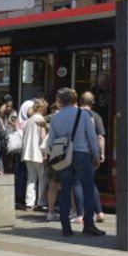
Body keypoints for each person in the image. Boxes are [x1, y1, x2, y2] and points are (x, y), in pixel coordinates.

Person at [45, 88, 102, 237]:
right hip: (82, 155)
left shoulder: (56, 118)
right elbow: (92, 137)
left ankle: (66, 227)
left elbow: (50, 142)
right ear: (75, 100)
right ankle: (88, 225)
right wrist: (96, 155)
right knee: (88, 190)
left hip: (65, 157)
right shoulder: (83, 115)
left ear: (61, 101)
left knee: (65, 190)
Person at [79, 91, 107, 222]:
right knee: (90, 182)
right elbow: (100, 137)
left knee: (77, 182)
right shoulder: (96, 116)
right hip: (91, 152)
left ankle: (81, 213)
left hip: (77, 151)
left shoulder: (75, 115)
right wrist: (101, 153)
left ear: (80, 101)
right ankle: (99, 212)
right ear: (93, 103)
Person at [21, 98, 49, 211]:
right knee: (42, 177)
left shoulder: (29, 120)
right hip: (38, 152)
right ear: (43, 108)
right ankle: (41, 202)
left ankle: (29, 202)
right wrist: (45, 151)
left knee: (31, 178)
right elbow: (42, 136)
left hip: (28, 152)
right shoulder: (40, 119)